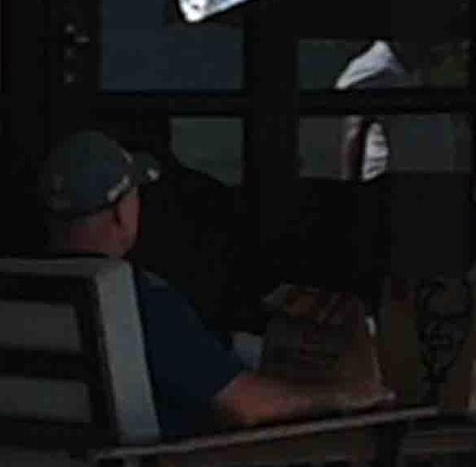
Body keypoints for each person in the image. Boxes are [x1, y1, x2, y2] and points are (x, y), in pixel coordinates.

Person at [42, 131, 387, 434]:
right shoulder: (133, 302)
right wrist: (344, 396)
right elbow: (245, 405)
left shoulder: (19, 294)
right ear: (121, 213)